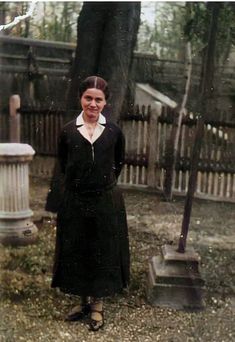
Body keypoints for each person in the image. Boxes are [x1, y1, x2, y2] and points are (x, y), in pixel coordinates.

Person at [45, 76, 130, 331]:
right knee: (78, 249)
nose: (93, 104)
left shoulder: (114, 132)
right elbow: (63, 163)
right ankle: (82, 303)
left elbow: (118, 164)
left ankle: (97, 306)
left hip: (105, 200)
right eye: (88, 98)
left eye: (98, 99)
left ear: (105, 103)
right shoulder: (68, 131)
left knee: (102, 250)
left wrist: (101, 185)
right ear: (80, 99)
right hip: (76, 200)